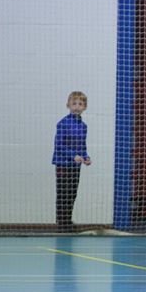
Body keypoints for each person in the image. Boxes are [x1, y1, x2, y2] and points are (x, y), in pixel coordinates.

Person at [52, 91, 91, 232]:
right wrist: (72, 155)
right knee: (63, 192)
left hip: (75, 165)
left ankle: (67, 220)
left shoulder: (83, 126)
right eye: (74, 103)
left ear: (85, 107)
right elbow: (59, 145)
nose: (77, 106)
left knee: (72, 193)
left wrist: (86, 157)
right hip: (63, 164)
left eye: (80, 104)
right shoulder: (63, 123)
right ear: (68, 105)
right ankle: (61, 223)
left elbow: (82, 146)